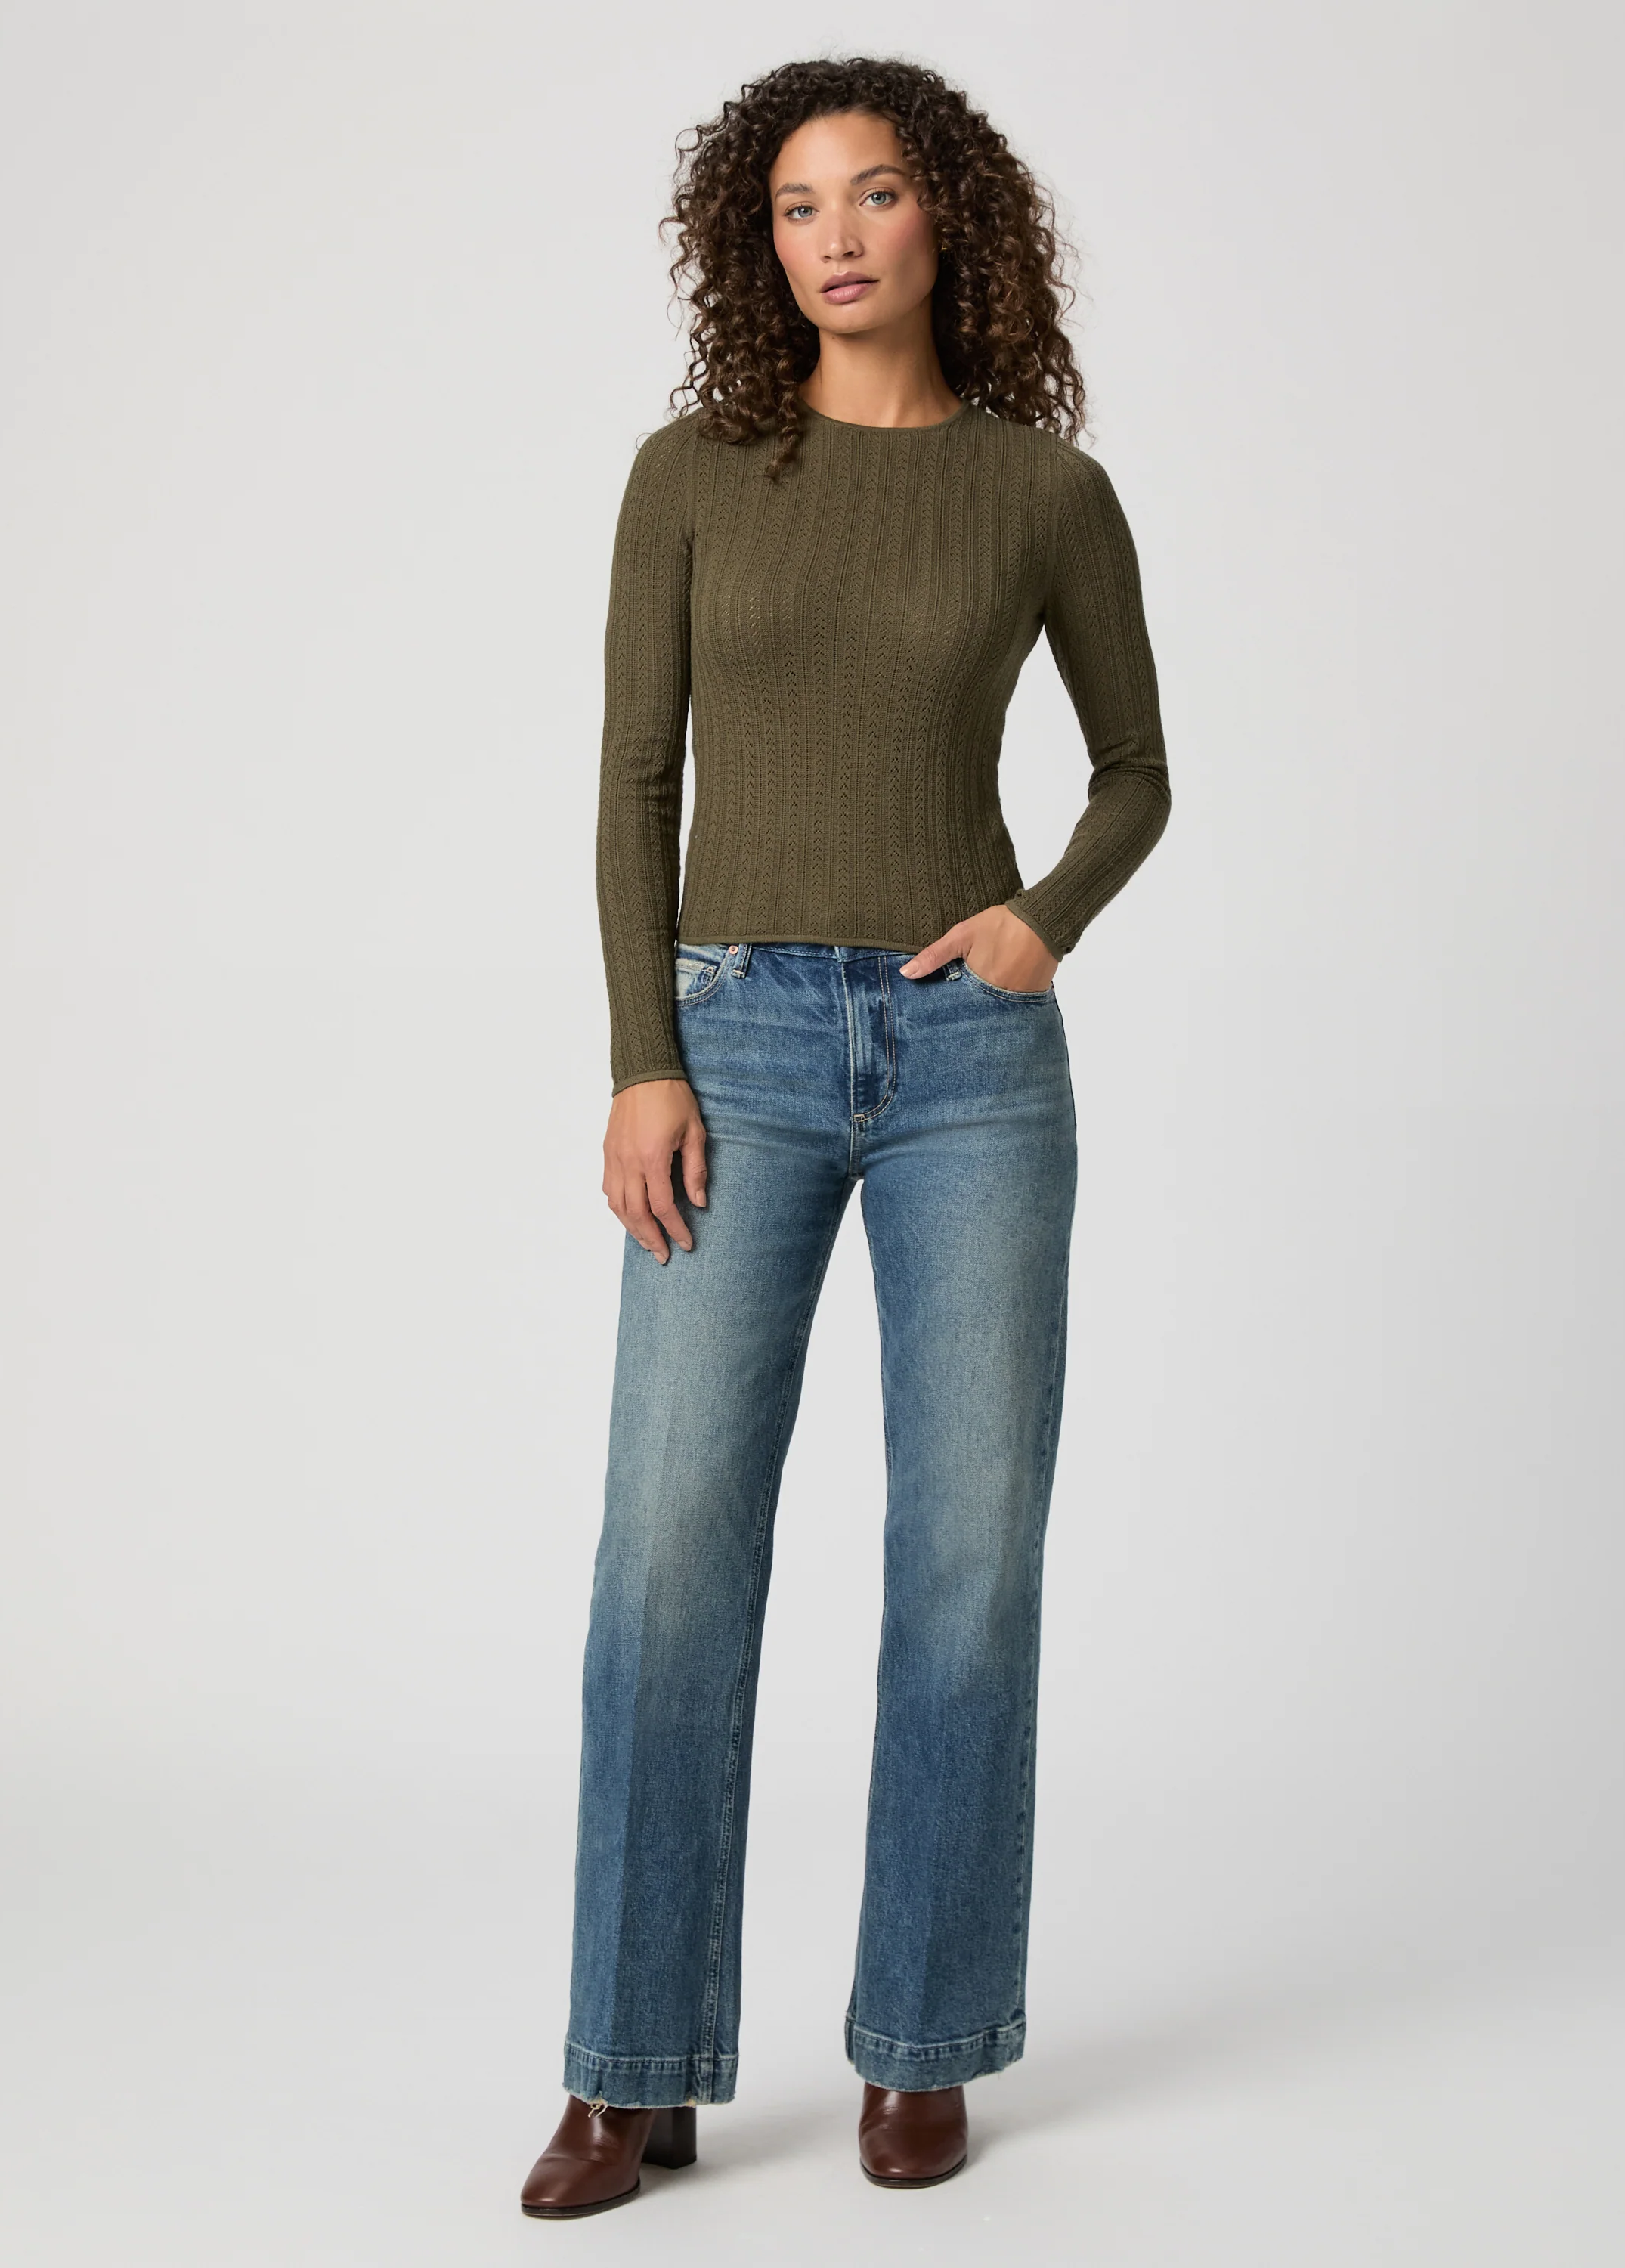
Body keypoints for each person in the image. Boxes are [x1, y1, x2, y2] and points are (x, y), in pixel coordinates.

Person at [520, 54, 1171, 2219]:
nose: (838, 237)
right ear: (759, 241)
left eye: (876, 194)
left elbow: (1139, 772)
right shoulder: (694, 475)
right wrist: (645, 1055)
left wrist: (1041, 921)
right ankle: (630, 2067)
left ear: (945, 216)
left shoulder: (1045, 491)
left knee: (968, 1558)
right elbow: (634, 783)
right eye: (798, 206)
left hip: (970, 1064)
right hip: (738, 1045)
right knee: (669, 1553)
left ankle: (925, 2040)